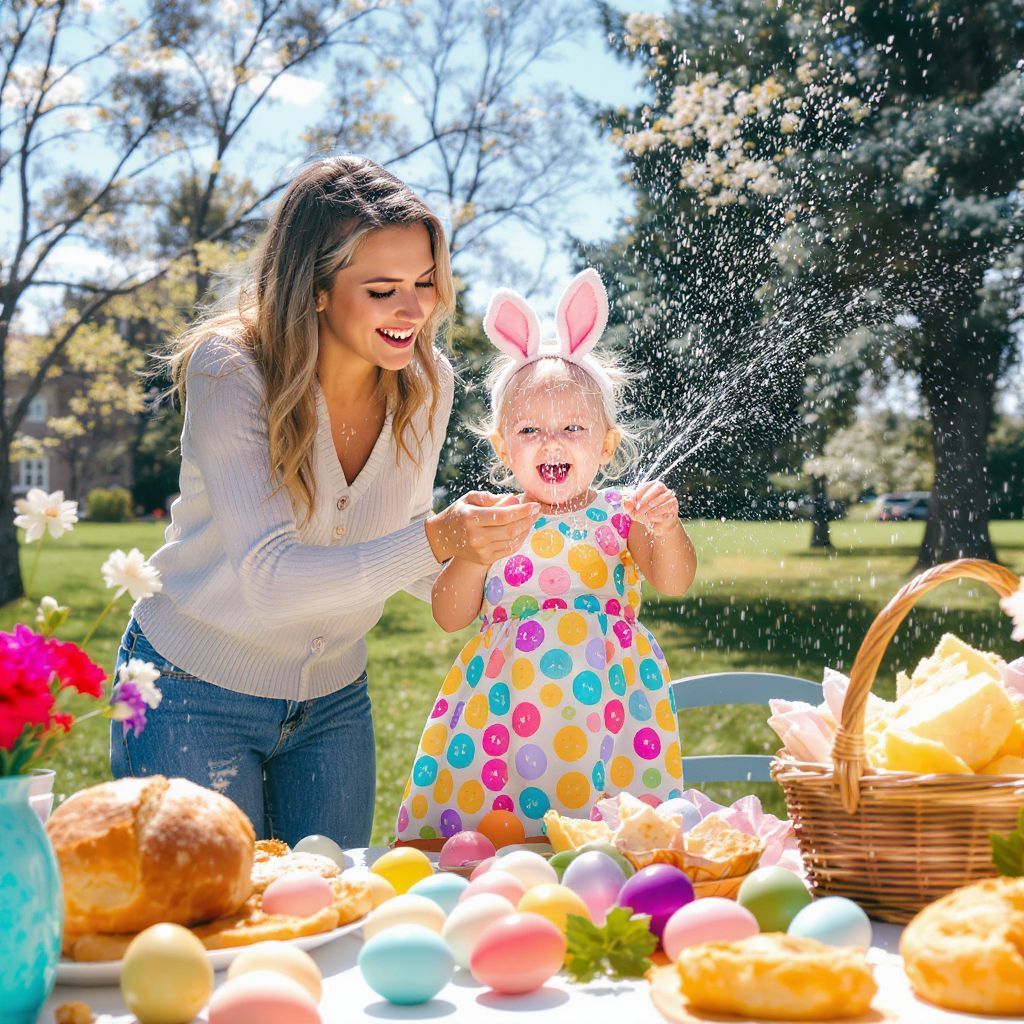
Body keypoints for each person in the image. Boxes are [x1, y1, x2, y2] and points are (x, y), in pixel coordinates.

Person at [110, 156, 541, 847]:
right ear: (313, 288)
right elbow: (271, 579)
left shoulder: (427, 384)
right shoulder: (230, 367)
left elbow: (399, 543)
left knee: (325, 920)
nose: (414, 310)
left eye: (426, 283)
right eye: (383, 290)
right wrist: (439, 539)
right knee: (206, 932)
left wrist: (510, 560)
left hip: (334, 706)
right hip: (188, 694)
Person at [394, 268, 697, 844]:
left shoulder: (619, 513)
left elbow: (673, 580)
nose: (552, 441)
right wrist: (473, 555)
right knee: (498, 842)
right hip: (505, 707)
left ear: (606, 443)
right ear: (503, 448)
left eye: (572, 427)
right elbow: (450, 615)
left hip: (608, 705)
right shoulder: (495, 518)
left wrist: (668, 527)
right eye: (530, 429)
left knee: (605, 845)